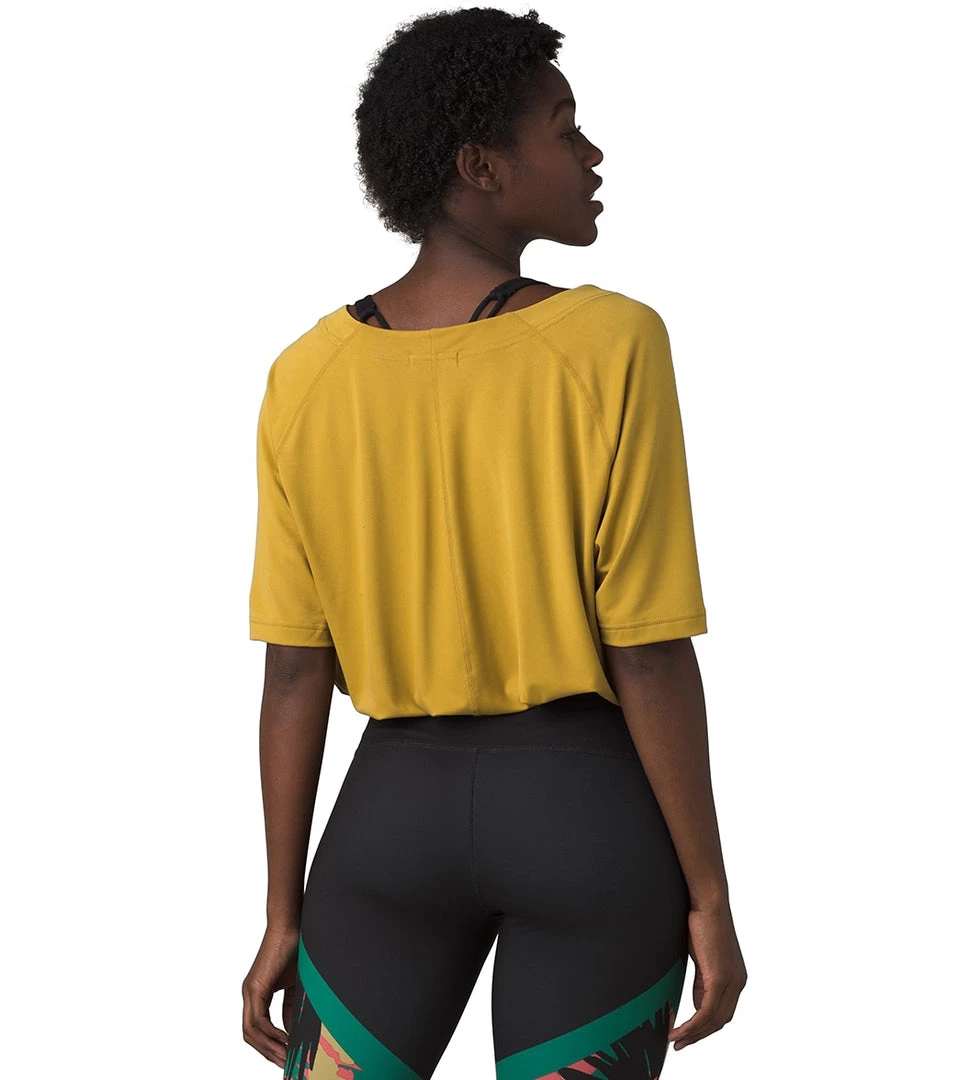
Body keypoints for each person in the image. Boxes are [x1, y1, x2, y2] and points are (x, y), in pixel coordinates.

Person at [241, 7, 747, 1078]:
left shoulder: (305, 375)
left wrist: (283, 909)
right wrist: (709, 895)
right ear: (479, 165)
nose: (591, 152)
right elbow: (647, 648)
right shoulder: (610, 343)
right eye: (563, 128)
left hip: (382, 826)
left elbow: (294, 669)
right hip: (586, 819)